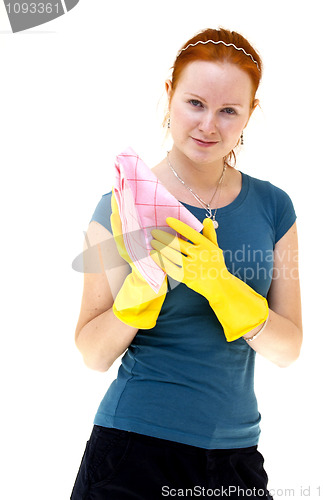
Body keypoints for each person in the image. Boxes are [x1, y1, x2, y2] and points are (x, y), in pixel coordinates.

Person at [71, 27, 302, 500]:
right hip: (132, 451)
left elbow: (289, 348)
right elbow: (92, 354)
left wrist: (222, 286)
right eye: (195, 103)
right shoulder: (119, 205)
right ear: (169, 96)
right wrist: (136, 300)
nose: (209, 126)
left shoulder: (274, 207)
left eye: (229, 111)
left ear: (249, 114)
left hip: (235, 460)